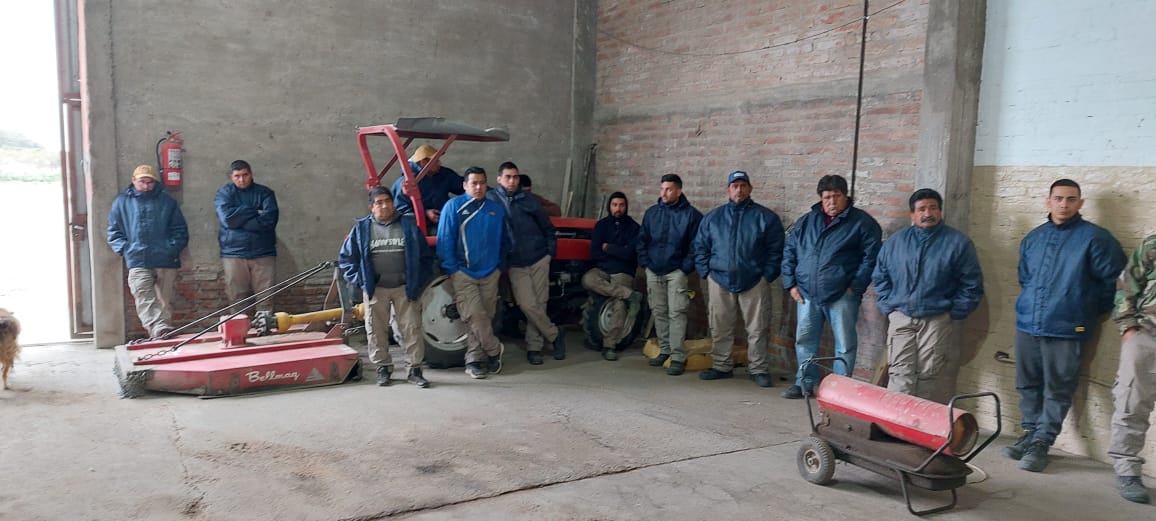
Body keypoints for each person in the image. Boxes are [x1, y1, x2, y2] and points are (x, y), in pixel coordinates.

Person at [1001, 179, 1125, 473]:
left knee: (1058, 387)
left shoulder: (1096, 239)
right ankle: (1031, 431)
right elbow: (1025, 278)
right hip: (1028, 323)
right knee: (1027, 384)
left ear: (1080, 203)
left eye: (1071, 199)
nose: (1064, 205)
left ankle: (1043, 441)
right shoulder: (1033, 239)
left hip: (1068, 327)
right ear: (1048, 201)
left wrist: (1084, 311)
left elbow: (1116, 284)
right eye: (1059, 198)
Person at [872, 188, 983, 402]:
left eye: (933, 208)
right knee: (899, 372)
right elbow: (880, 276)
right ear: (912, 214)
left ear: (940, 211)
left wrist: (954, 312)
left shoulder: (958, 243)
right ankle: (896, 425)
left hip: (936, 319)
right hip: (901, 316)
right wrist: (889, 307)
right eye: (921, 209)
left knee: (928, 374)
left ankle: (918, 426)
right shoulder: (896, 242)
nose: (927, 213)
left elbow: (971, 283)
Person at [781, 174, 882, 399]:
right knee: (805, 341)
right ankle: (804, 382)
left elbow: (871, 257)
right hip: (806, 293)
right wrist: (791, 284)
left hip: (842, 295)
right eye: (827, 197)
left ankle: (839, 391)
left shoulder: (862, 223)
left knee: (844, 345)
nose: (832, 202)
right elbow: (790, 252)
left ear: (846, 196)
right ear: (820, 198)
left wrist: (855, 286)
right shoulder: (807, 221)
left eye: (837, 196)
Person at [693, 171, 784, 388]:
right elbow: (700, 247)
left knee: (757, 327)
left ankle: (758, 369)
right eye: (735, 186)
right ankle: (722, 366)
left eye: (743, 185)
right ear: (728, 189)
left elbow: (776, 250)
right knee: (720, 326)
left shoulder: (766, 218)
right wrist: (705, 271)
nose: (739, 190)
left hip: (754, 280)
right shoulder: (713, 218)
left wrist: (767, 275)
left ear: (750, 189)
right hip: (719, 279)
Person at [338, 186, 434, 388]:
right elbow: (346, 259)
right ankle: (383, 369)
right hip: (376, 289)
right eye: (379, 202)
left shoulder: (408, 225)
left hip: (405, 288)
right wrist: (362, 280)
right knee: (375, 330)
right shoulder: (362, 229)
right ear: (371, 207)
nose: (384, 206)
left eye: (387, 201)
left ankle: (414, 370)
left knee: (411, 329)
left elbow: (426, 257)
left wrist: (418, 280)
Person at [487, 161, 566, 365]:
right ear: (499, 179)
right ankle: (555, 335)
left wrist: (550, 252)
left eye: (515, 177)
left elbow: (547, 227)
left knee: (540, 303)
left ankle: (534, 347)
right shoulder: (491, 200)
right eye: (508, 177)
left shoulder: (529, 200)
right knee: (527, 304)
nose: (512, 181)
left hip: (538, 257)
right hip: (515, 263)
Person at [437, 167, 510, 379]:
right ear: (465, 185)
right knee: (474, 315)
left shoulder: (495, 209)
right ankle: (495, 350)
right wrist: (453, 269)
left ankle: (475, 360)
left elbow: (505, 240)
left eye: (482, 183)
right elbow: (445, 240)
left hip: (490, 272)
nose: (478, 187)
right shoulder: (453, 207)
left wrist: (499, 265)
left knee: (485, 316)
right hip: (463, 272)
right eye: (474, 183)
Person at [107, 164, 189, 338]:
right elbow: (114, 232)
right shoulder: (121, 203)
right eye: (142, 182)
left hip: (165, 259)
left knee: (164, 301)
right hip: (137, 259)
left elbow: (180, 229)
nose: (146, 186)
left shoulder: (167, 202)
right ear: (133, 181)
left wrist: (171, 248)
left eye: (149, 182)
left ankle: (162, 334)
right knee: (143, 296)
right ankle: (158, 329)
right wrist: (126, 250)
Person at [637, 173, 703, 376]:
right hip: (653, 270)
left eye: (668, 189)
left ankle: (677, 357)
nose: (664, 193)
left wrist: (684, 268)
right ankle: (664, 350)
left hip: (676, 272)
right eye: (662, 189)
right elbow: (642, 241)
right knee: (658, 311)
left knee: (677, 313)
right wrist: (646, 263)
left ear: (679, 191)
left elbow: (696, 245)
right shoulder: (652, 213)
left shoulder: (691, 216)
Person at [1109, 233, 1156, 504]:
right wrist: (1128, 327)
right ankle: (1127, 470)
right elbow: (1128, 284)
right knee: (1131, 403)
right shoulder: (1152, 245)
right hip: (1146, 337)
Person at [581, 191, 642, 361]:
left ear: (626, 207)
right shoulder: (601, 226)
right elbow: (594, 252)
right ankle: (630, 295)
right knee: (588, 279)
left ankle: (610, 345)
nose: (618, 208)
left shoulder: (634, 228)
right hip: (603, 269)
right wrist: (618, 251)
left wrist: (608, 248)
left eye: (621, 205)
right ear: (610, 206)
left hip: (623, 271)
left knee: (619, 305)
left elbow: (631, 254)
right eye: (615, 205)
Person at [214, 160, 279, 313]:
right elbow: (228, 219)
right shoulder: (223, 194)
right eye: (237, 176)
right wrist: (255, 211)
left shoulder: (265, 193)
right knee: (236, 296)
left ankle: (264, 330)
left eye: (245, 175)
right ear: (231, 176)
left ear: (251, 174)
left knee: (266, 295)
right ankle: (240, 331)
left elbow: (269, 220)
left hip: (263, 252)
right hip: (233, 253)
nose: (241, 180)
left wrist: (239, 219)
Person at [392, 144, 464, 230]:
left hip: (445, 221)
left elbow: (461, 186)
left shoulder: (443, 174)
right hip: (418, 229)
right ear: (424, 162)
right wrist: (425, 213)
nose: (439, 163)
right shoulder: (406, 182)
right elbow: (400, 210)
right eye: (436, 160)